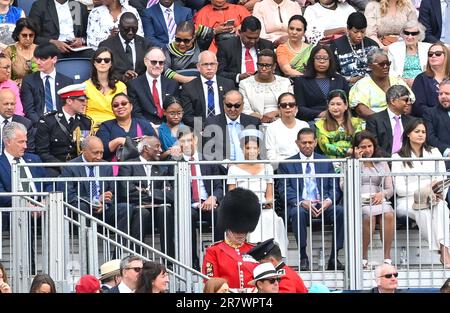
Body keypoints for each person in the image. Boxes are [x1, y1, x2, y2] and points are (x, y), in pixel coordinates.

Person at [278, 127, 344, 271]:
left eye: (310, 142)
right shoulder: (287, 164)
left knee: (340, 211)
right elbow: (284, 190)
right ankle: (303, 256)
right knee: (297, 212)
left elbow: (334, 186)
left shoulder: (325, 161)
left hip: (323, 204)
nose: (307, 145)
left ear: (315, 142)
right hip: (302, 205)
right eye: (304, 143)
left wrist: (329, 201)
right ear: (297, 143)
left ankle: (334, 257)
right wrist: (302, 202)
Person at [391, 119, 450, 267]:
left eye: (423, 132)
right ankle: (442, 250)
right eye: (417, 131)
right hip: (407, 200)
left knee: (442, 207)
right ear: (408, 134)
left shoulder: (434, 152)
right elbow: (400, 189)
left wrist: (436, 191)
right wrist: (424, 187)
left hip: (433, 197)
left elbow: (442, 179)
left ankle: (444, 249)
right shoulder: (397, 157)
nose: (421, 134)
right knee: (424, 212)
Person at [227, 129, 288, 257]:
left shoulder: (267, 167)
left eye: (255, 148)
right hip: (242, 207)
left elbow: (269, 195)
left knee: (271, 218)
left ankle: (271, 254)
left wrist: (267, 203)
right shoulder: (233, 168)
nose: (252, 151)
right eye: (248, 148)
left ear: (259, 150)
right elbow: (232, 195)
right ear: (243, 149)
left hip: (263, 207)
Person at [59, 136, 131, 234]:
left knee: (125, 208)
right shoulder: (71, 167)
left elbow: (113, 192)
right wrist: (94, 201)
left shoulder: (106, 166)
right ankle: (86, 245)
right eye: (95, 153)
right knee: (82, 207)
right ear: (84, 151)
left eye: (101, 152)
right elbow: (69, 196)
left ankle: (120, 248)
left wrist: (105, 203)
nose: (99, 157)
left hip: (103, 210)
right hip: (83, 210)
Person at [117, 135, 175, 256]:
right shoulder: (128, 165)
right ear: (146, 149)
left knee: (165, 210)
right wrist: (157, 194)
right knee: (142, 213)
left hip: (158, 210)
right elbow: (126, 191)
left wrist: (147, 192)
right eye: (157, 146)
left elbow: (170, 194)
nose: (160, 150)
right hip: (137, 209)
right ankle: (136, 257)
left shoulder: (162, 169)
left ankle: (169, 259)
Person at [177, 126, 224, 268]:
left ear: (196, 140)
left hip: (209, 203)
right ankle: (193, 261)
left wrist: (213, 198)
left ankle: (218, 256)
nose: (186, 144)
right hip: (189, 205)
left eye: (189, 140)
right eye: (182, 141)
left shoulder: (208, 159)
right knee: (187, 215)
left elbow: (218, 186)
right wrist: (195, 204)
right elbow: (174, 191)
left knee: (220, 213)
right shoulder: (175, 162)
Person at [202, 188, 260, 291]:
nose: (240, 234)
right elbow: (211, 282)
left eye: (244, 230)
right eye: (236, 230)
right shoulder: (214, 251)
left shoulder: (256, 250)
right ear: (227, 228)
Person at [352, 131, 394, 268]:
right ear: (356, 148)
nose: (367, 150)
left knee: (388, 214)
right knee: (369, 216)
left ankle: (387, 257)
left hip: (378, 197)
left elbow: (390, 188)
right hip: (358, 198)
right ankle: (363, 257)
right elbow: (343, 185)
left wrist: (382, 194)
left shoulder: (382, 162)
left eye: (369, 146)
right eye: (362, 147)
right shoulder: (350, 163)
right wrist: (357, 162)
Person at [35, 83, 93, 176]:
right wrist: (61, 166)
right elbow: (42, 152)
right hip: (55, 168)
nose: (85, 103)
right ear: (69, 101)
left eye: (85, 100)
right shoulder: (48, 121)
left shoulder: (85, 122)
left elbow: (84, 149)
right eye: (81, 100)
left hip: (78, 168)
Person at [349, 48, 414, 119]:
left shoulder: (397, 80)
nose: (386, 66)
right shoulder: (362, 85)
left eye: (388, 63)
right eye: (381, 64)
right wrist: (386, 120)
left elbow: (408, 103)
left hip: (399, 120)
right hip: (374, 123)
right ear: (370, 66)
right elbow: (361, 110)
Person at [20, 42, 73, 126]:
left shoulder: (67, 82)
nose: (38, 62)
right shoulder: (29, 81)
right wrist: (43, 124)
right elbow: (29, 110)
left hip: (62, 125)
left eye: (43, 59)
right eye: (37, 58)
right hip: (38, 125)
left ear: (54, 59)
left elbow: (70, 107)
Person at [179, 50, 235, 128]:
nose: (209, 68)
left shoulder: (228, 84)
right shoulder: (188, 87)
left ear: (217, 65)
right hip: (201, 129)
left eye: (212, 64)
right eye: (205, 64)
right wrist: (206, 127)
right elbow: (188, 116)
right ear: (198, 67)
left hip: (226, 127)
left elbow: (234, 109)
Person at [293, 44, 349, 122]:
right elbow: (300, 108)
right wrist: (321, 114)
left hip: (339, 119)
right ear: (312, 60)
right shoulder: (301, 81)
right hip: (313, 120)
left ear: (330, 60)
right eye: (318, 58)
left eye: (325, 58)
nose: (322, 61)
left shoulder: (340, 79)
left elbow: (347, 104)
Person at [202, 90, 261, 163]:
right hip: (222, 168)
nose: (233, 109)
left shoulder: (253, 122)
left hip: (248, 167)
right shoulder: (211, 123)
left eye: (237, 106)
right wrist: (227, 164)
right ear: (224, 104)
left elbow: (259, 149)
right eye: (229, 105)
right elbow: (210, 151)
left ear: (243, 105)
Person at [96, 93, 155, 162]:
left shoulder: (144, 124)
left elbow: (155, 148)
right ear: (112, 109)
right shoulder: (105, 127)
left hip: (141, 168)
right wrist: (118, 141)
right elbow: (101, 153)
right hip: (114, 170)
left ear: (131, 106)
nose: (120, 107)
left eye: (124, 103)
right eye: (116, 105)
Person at [128, 46, 179, 126]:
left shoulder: (172, 84)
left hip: (169, 126)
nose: (158, 65)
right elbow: (136, 112)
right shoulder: (134, 85)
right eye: (154, 62)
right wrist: (150, 126)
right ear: (145, 61)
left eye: (161, 62)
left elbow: (176, 109)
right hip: (146, 128)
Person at [216, 16, 274, 84]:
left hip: (264, 84)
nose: (252, 41)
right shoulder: (226, 46)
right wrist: (238, 77)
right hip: (237, 87)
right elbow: (219, 73)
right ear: (240, 32)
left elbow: (275, 69)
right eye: (249, 38)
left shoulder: (266, 45)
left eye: (256, 38)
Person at [240, 49, 292, 123]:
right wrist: (263, 118)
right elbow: (245, 110)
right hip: (255, 123)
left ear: (274, 66)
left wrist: (276, 113)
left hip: (282, 121)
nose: (264, 68)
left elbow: (291, 105)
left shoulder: (285, 82)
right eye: (261, 65)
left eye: (268, 65)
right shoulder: (245, 84)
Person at [98, 12, 151, 82]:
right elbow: (102, 71)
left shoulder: (145, 44)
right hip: (116, 86)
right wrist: (122, 77)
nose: (130, 32)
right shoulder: (107, 45)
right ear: (119, 27)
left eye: (134, 29)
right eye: (126, 29)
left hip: (141, 87)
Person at [330, 12, 379, 85]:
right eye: (355, 32)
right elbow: (332, 71)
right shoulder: (336, 46)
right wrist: (349, 79)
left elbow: (379, 68)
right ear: (348, 29)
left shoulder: (373, 45)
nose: (359, 35)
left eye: (362, 32)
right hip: (345, 85)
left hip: (370, 85)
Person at [84, 47, 127, 130]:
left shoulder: (121, 86)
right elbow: (82, 114)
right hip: (91, 128)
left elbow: (125, 113)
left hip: (114, 128)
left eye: (106, 60)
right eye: (99, 60)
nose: (102, 63)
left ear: (111, 64)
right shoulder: (84, 86)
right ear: (94, 63)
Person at [366, 84, 413, 157]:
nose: (409, 103)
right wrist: (392, 160)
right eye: (406, 100)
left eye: (409, 100)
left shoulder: (411, 121)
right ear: (393, 101)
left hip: (407, 164)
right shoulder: (374, 120)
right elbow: (374, 146)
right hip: (384, 163)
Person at [315, 89, 363, 160]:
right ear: (328, 105)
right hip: (330, 161)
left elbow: (359, 142)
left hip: (353, 160)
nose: (335, 107)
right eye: (332, 104)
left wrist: (352, 153)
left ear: (346, 105)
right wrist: (346, 151)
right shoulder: (320, 124)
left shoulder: (357, 123)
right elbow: (325, 146)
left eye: (338, 104)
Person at [265, 92, 309, 165]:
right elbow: (271, 154)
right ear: (279, 109)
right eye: (283, 105)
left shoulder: (304, 125)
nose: (288, 107)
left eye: (291, 105)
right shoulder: (271, 127)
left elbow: (308, 150)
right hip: (280, 167)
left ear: (296, 108)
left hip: (302, 165)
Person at [387, 20, 431, 87]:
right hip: (400, 83)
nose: (409, 37)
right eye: (407, 33)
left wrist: (417, 81)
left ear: (420, 35)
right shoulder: (393, 48)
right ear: (402, 34)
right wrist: (403, 81)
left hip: (423, 83)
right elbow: (390, 69)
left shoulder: (428, 48)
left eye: (414, 34)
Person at [411, 43, 450, 118]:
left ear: (446, 56)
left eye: (438, 53)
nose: (433, 56)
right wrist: (438, 115)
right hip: (430, 120)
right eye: (430, 54)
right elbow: (418, 106)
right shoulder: (421, 78)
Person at [3, 18, 39, 87]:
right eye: (24, 35)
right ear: (17, 35)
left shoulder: (40, 50)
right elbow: (4, 76)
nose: (28, 38)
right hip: (15, 89)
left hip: (37, 89)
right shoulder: (9, 51)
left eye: (31, 35)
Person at [423, 78, 450, 167]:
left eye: (447, 93)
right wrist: (447, 151)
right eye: (440, 93)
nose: (443, 96)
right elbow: (430, 138)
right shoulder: (430, 113)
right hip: (444, 163)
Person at [0, 88, 34, 154]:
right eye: (6, 104)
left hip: (15, 161)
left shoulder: (25, 123)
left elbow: (29, 151)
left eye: (12, 104)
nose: (9, 107)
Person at [158, 96, 183, 160]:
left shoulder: (189, 130)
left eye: (179, 113)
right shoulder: (159, 132)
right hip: (165, 168)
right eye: (172, 113)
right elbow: (156, 157)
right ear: (164, 112)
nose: (176, 117)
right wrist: (168, 152)